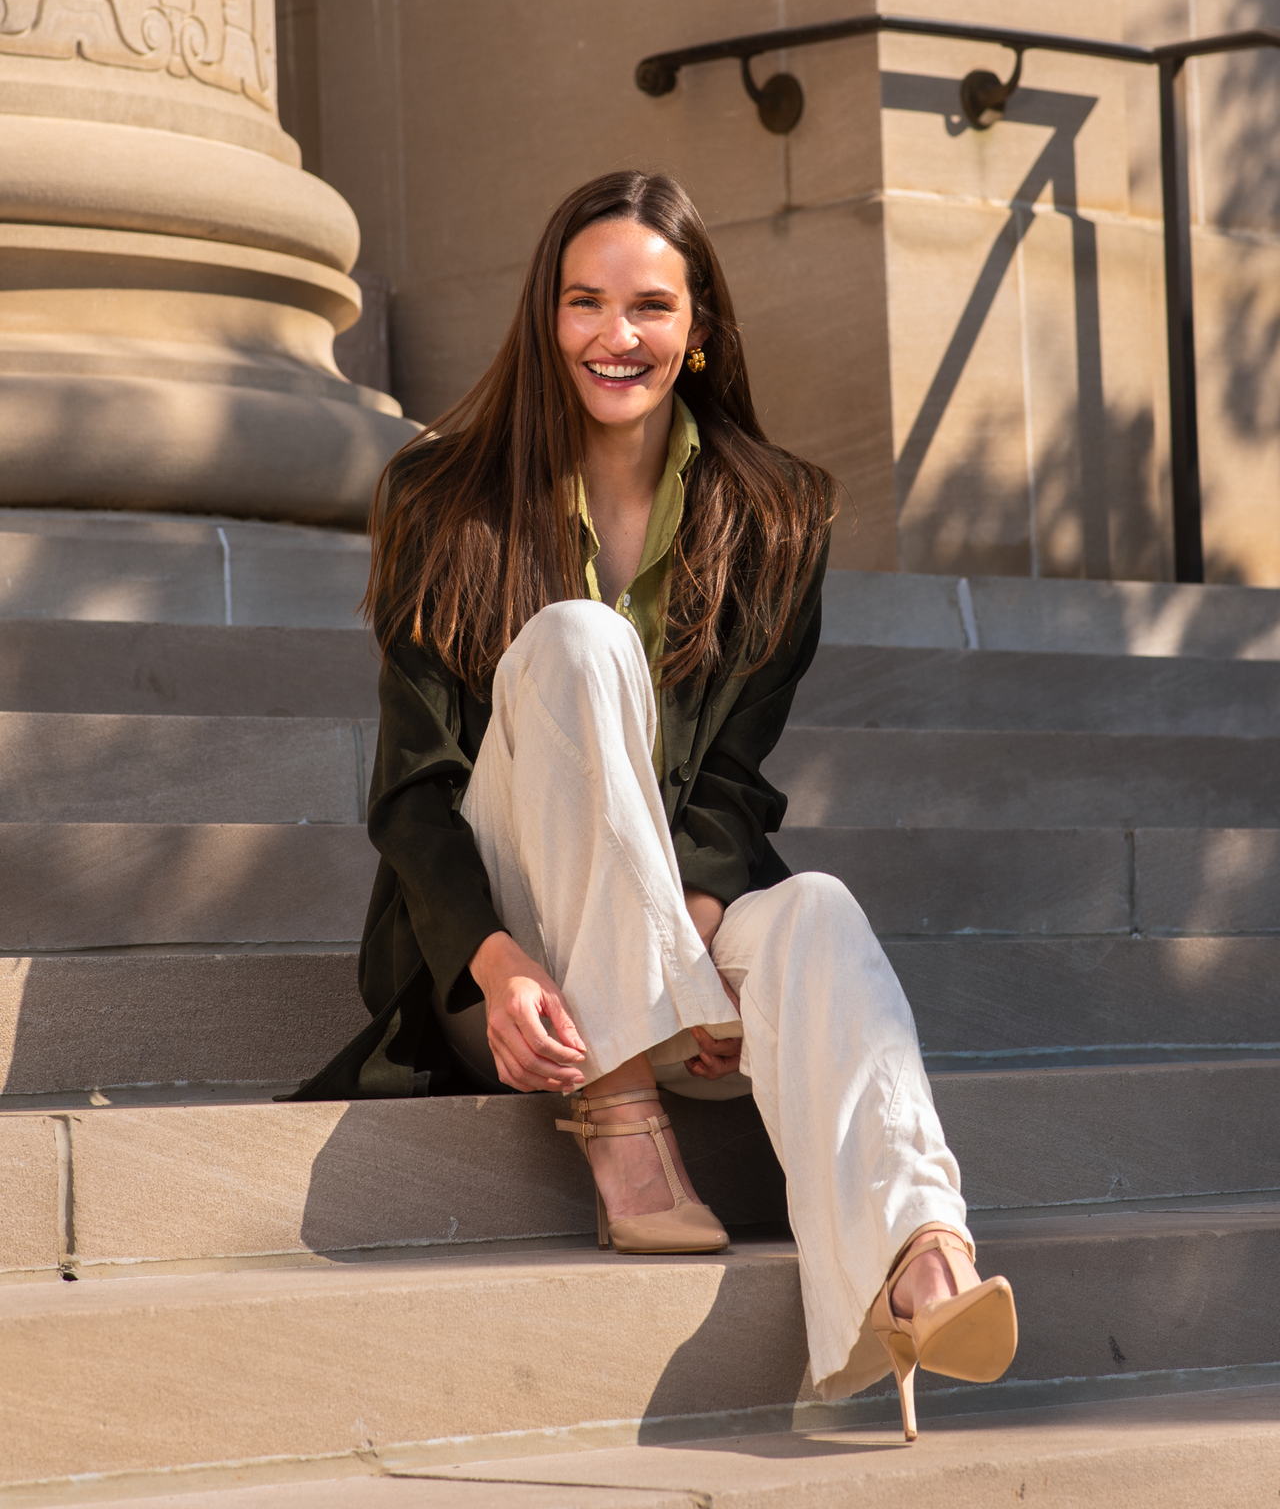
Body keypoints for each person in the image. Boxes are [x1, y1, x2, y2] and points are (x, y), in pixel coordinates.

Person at [290, 170, 1017, 1440]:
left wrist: (690, 924)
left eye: (647, 306)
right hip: (520, 975)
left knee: (818, 912)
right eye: (583, 302)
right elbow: (415, 794)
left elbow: (730, 782)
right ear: (543, 314)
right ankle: (619, 1110)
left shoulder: (778, 513)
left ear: (700, 329)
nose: (613, 336)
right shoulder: (439, 494)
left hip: (672, 942)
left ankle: (918, 1259)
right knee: (574, 642)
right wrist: (497, 960)